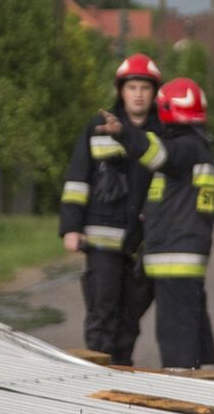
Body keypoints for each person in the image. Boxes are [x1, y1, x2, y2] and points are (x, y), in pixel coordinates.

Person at [106, 77, 214, 369]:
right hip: (180, 256)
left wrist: (125, 134)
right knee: (192, 329)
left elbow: (159, 155)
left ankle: (183, 393)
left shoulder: (185, 147)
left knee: (176, 337)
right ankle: (205, 379)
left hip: (173, 257)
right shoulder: (198, 146)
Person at [59, 53, 163, 365]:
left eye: (145, 87)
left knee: (130, 320)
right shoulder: (98, 127)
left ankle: (122, 373)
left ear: (154, 92)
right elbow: (78, 178)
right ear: (121, 90)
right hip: (102, 240)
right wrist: (71, 227)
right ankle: (95, 377)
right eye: (132, 87)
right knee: (101, 313)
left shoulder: (163, 132)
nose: (139, 94)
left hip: (142, 243)